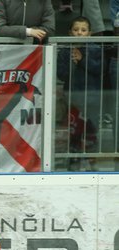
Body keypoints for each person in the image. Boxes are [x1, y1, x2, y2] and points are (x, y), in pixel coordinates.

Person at [56, 15, 102, 154]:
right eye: (76, 30)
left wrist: (82, 60)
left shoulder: (96, 49)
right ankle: (73, 158)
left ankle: (91, 159)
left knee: (91, 130)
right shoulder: (65, 50)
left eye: (83, 30)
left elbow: (99, 69)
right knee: (73, 130)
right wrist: (72, 62)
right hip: (72, 98)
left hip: (92, 98)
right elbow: (61, 74)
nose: (79, 33)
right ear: (70, 33)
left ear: (90, 33)